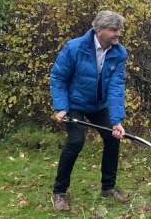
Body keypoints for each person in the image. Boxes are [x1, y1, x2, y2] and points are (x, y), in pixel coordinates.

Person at [50, 11, 129, 211]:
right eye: (113, 30)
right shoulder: (74, 47)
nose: (117, 34)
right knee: (76, 141)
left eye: (118, 29)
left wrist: (116, 120)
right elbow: (58, 78)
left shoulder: (119, 53)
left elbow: (116, 87)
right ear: (99, 30)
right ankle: (59, 192)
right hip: (74, 104)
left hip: (99, 105)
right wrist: (61, 108)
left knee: (112, 138)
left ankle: (107, 188)